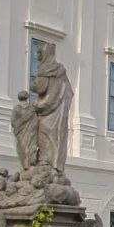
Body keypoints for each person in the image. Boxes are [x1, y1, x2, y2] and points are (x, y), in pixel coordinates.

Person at [31, 42, 73, 174]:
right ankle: (54, 164)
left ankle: (45, 161)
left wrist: (33, 84)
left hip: (47, 110)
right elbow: (68, 91)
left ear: (45, 53)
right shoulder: (60, 70)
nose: (37, 56)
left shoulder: (46, 68)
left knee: (44, 134)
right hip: (58, 111)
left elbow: (40, 87)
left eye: (39, 53)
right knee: (55, 137)